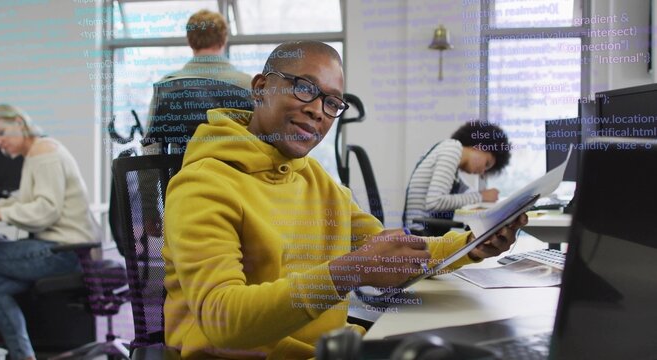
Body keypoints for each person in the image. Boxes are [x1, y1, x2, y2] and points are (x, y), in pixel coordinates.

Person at [162, 41, 527, 359]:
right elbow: (223, 321)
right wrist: (350, 270)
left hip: (332, 347)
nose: (318, 110)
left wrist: (474, 244)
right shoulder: (203, 184)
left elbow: (393, 249)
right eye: (304, 88)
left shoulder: (317, 180)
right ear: (261, 88)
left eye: (332, 102)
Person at [0, 104, 99, 360]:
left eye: (1, 133)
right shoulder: (38, 151)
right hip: (67, 251)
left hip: (65, 252)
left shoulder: (44, 154)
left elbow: (45, 210)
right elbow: (28, 199)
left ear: (19, 122)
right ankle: (24, 356)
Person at [141, 9, 253, 152]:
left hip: (181, 174)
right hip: (235, 173)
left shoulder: (169, 85)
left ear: (189, 41)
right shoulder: (248, 84)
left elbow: (151, 148)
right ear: (224, 39)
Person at [403, 122, 511, 231]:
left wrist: (482, 196)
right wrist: (481, 196)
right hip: (420, 236)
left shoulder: (451, 159)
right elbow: (434, 202)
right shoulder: (452, 150)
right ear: (479, 146)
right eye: (486, 164)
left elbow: (468, 193)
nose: (482, 171)